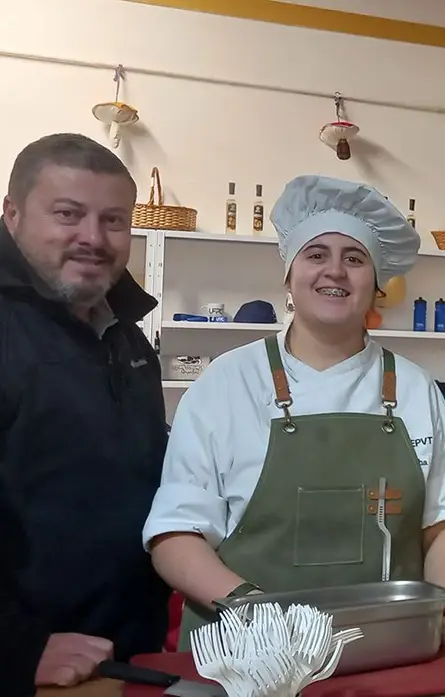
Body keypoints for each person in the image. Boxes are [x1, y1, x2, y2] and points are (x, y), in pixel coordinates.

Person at [142, 175, 445, 648]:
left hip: (386, 651)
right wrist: (250, 609)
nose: (335, 272)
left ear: (377, 284)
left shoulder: (415, 388)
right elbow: (175, 533)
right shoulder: (226, 384)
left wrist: (444, 601)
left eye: (355, 259)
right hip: (246, 651)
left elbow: (444, 523)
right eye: (316, 255)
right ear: (288, 275)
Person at [0, 133, 168, 688]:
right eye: (68, 214)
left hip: (124, 653)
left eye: (114, 220)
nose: (93, 238)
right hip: (35, 669)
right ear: (13, 214)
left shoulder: (128, 339)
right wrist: (16, 651)